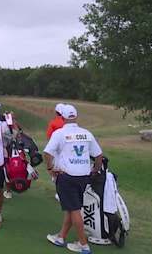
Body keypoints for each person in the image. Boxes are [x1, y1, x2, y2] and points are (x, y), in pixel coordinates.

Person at [43, 104, 103, 254]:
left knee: (74, 209)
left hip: (66, 176)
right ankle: (61, 237)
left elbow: (47, 153)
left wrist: (50, 169)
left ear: (62, 117)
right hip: (83, 176)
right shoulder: (87, 133)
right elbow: (99, 156)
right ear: (76, 116)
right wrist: (94, 170)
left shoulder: (59, 133)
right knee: (72, 207)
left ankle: (83, 245)